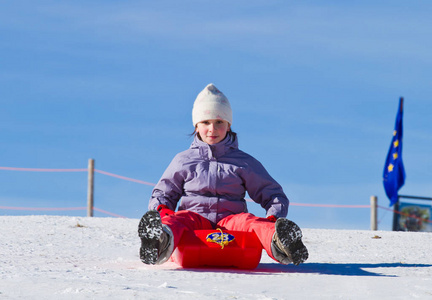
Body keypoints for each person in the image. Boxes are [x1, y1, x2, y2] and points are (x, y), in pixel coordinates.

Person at [138, 83, 308, 266]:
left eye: (219, 122)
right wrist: (162, 211)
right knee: (178, 220)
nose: (212, 129)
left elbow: (273, 193)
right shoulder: (183, 160)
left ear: (228, 126)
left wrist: (274, 217)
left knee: (250, 222)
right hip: (194, 218)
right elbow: (163, 193)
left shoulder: (243, 162)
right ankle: (159, 240)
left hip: (231, 220)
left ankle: (280, 241)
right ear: (196, 126)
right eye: (206, 122)